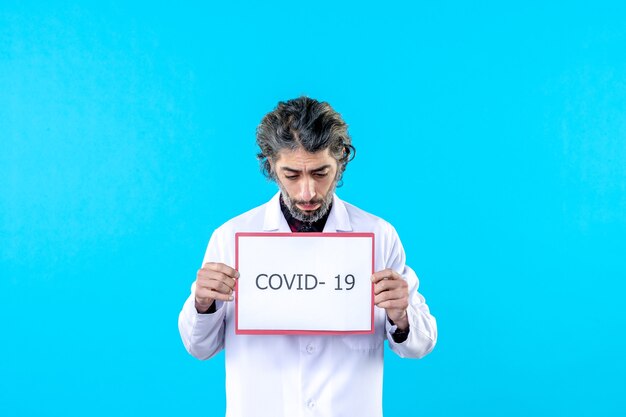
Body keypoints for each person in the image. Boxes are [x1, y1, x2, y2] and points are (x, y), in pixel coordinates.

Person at [178, 96, 437, 417]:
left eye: (320, 173)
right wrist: (203, 304)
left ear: (341, 160)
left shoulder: (379, 236)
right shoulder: (230, 238)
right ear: (270, 165)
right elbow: (199, 347)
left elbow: (420, 345)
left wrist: (402, 314)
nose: (307, 192)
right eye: (291, 175)